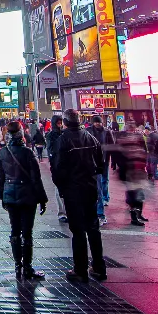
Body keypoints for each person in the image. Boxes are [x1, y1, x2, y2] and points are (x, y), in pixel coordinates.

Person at [51, 110, 106, 282]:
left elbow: (58, 168)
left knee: (78, 231)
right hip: (90, 188)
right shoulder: (90, 138)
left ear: (65, 123)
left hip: (73, 191)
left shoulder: (63, 140)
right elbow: (101, 163)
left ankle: (80, 269)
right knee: (93, 229)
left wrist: (61, 187)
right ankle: (99, 266)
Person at [0, 120, 47, 281]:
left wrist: (2, 196)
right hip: (28, 196)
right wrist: (42, 199)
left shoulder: (3, 152)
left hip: (10, 195)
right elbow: (36, 179)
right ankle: (27, 267)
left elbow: (0, 177)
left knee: (14, 230)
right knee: (27, 232)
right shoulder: (27, 153)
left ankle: (17, 264)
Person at [114, 121, 149, 226]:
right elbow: (118, 155)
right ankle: (134, 217)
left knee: (140, 195)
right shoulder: (122, 140)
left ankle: (138, 214)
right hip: (130, 171)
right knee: (133, 196)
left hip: (139, 170)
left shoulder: (139, 138)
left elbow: (144, 151)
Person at [86, 116, 115, 224]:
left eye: (99, 122)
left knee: (104, 181)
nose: (98, 124)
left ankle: (104, 199)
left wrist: (113, 161)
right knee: (97, 186)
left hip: (104, 160)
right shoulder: (88, 131)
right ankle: (99, 209)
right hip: (93, 162)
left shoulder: (106, 132)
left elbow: (112, 145)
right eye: (96, 122)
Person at [45, 115, 67, 222]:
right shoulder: (51, 136)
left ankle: (67, 211)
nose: (60, 125)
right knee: (59, 190)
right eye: (58, 123)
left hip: (66, 166)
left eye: (60, 122)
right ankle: (62, 212)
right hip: (57, 166)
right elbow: (51, 151)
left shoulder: (65, 133)